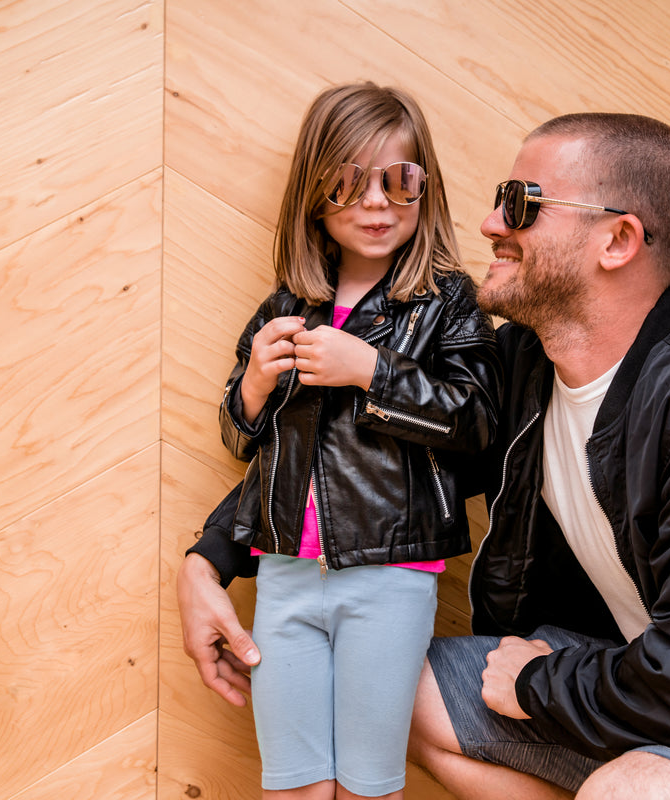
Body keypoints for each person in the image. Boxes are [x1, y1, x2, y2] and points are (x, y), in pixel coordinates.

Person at [180, 111, 670, 800]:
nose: (488, 224)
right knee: (390, 693)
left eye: (520, 203)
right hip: (638, 688)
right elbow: (364, 463)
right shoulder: (525, 367)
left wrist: (544, 684)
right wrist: (208, 560)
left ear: (617, 240)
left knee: (634, 791)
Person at [186, 81, 501, 800]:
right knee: (294, 785)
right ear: (314, 194)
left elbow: (477, 422)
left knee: (369, 786)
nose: (376, 202)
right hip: (286, 578)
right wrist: (253, 391)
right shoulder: (284, 307)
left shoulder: (449, 302)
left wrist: (375, 373)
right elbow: (245, 443)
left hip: (390, 576)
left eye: (400, 180)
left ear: (427, 189)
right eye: (349, 182)